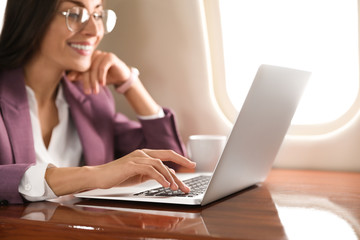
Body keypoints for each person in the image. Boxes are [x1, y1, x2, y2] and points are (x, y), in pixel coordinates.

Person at [0, 0, 196, 204]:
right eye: (75, 15)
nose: (95, 30)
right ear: (31, 19)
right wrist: (93, 176)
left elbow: (172, 167)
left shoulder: (91, 96)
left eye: (98, 15)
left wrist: (130, 83)